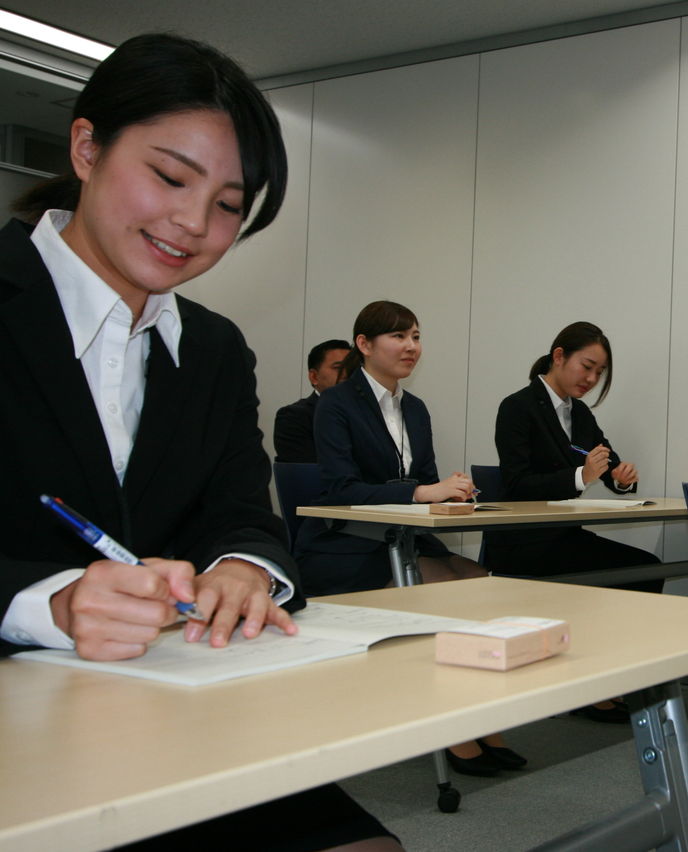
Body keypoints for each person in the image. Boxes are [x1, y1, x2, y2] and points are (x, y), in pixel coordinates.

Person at [0, 33, 398, 851]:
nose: (193, 224)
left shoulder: (215, 348)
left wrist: (243, 568)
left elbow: (242, 512)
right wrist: (50, 604)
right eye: (170, 177)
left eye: (227, 204)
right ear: (86, 148)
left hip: (177, 702)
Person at [293, 300, 521, 776]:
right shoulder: (336, 404)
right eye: (398, 336)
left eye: (416, 336)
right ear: (364, 344)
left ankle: (483, 719)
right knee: (451, 591)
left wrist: (453, 493)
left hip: (404, 539)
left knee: (480, 582)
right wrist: (420, 492)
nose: (411, 346)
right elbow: (341, 490)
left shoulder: (414, 409)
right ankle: (455, 731)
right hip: (347, 543)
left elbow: (426, 479)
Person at [487, 321, 659, 724]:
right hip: (523, 541)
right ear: (559, 356)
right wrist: (580, 477)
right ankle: (592, 687)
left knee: (647, 569)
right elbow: (516, 483)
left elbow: (607, 462)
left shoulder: (578, 413)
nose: (592, 379)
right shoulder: (518, 406)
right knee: (632, 572)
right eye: (587, 366)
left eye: (600, 372)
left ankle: (603, 680)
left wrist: (621, 478)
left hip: (561, 536)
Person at [274, 338, 351, 463]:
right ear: (314, 377)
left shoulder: (368, 412)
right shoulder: (294, 417)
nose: (347, 373)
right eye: (338, 367)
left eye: (353, 367)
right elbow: (310, 470)